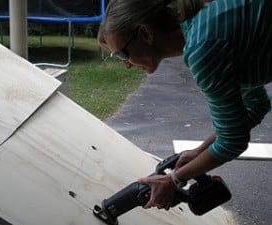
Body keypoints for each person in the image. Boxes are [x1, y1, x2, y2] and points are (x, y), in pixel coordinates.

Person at [98, 0, 272, 210]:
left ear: (145, 34)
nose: (126, 65)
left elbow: (232, 141)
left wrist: (173, 180)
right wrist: (200, 151)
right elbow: (256, 105)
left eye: (122, 54)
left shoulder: (203, 47)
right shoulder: (202, 28)